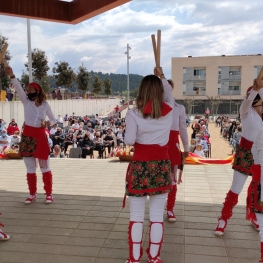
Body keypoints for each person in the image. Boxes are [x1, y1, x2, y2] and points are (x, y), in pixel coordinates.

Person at [124, 67, 173, 263]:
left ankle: (134, 258)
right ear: (160, 91)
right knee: (156, 216)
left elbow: (129, 141)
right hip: (161, 166)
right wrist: (161, 76)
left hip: (141, 166)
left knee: (136, 215)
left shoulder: (133, 113)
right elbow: (169, 93)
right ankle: (154, 257)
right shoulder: (169, 110)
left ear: (141, 90)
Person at [215, 78, 263, 236]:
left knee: (258, 189)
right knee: (236, 188)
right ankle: (223, 219)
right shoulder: (246, 112)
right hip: (245, 153)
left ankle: (256, 217)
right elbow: (246, 103)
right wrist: (255, 90)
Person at [5, 66, 56, 204]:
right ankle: (32, 194)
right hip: (27, 136)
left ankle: (49, 194)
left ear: (37, 91)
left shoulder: (45, 105)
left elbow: (53, 119)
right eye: (27, 90)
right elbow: (18, 88)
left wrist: (47, 124)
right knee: (30, 168)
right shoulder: (26, 102)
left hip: (40, 137)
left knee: (45, 168)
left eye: (31, 90)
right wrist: (12, 74)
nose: (27, 92)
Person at [166, 79, 189, 222]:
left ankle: (170, 208)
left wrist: (186, 148)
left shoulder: (179, 108)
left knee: (172, 179)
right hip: (157, 145)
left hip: (172, 146)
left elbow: (183, 129)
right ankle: (157, 209)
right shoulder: (153, 106)